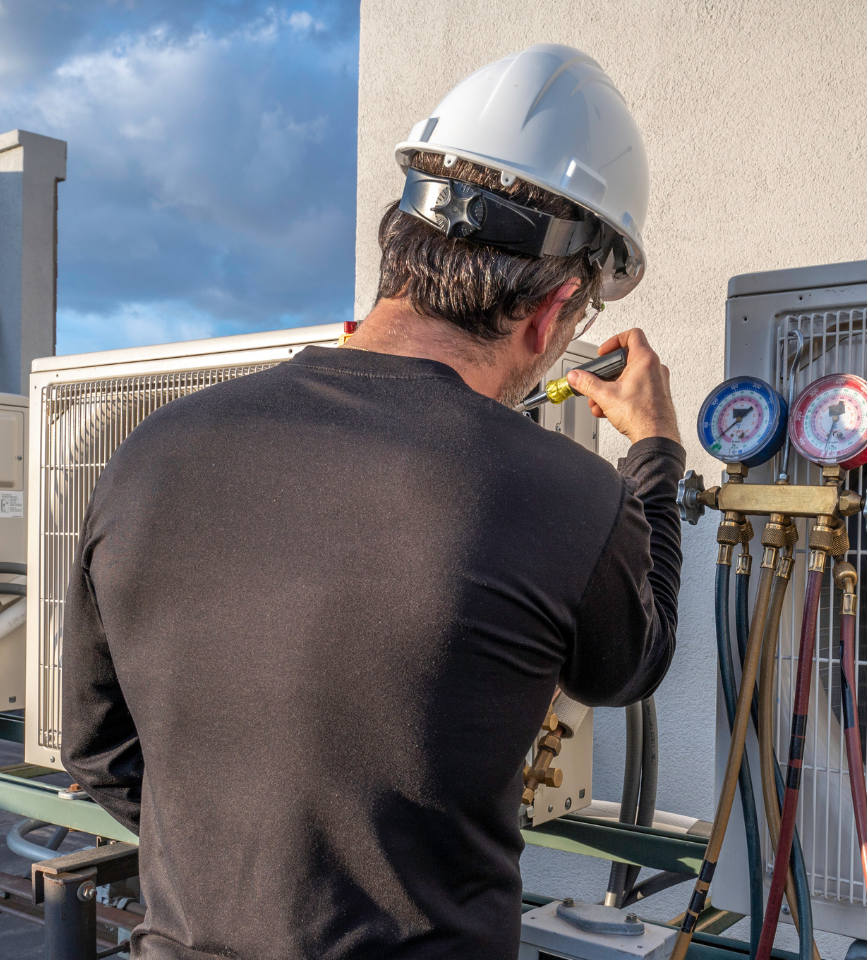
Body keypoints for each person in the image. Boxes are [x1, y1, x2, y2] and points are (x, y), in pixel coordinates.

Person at [61, 43, 684, 959]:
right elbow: (630, 663)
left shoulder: (154, 449)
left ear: (400, 246)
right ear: (552, 311)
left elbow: (101, 758)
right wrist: (656, 453)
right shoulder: (564, 493)